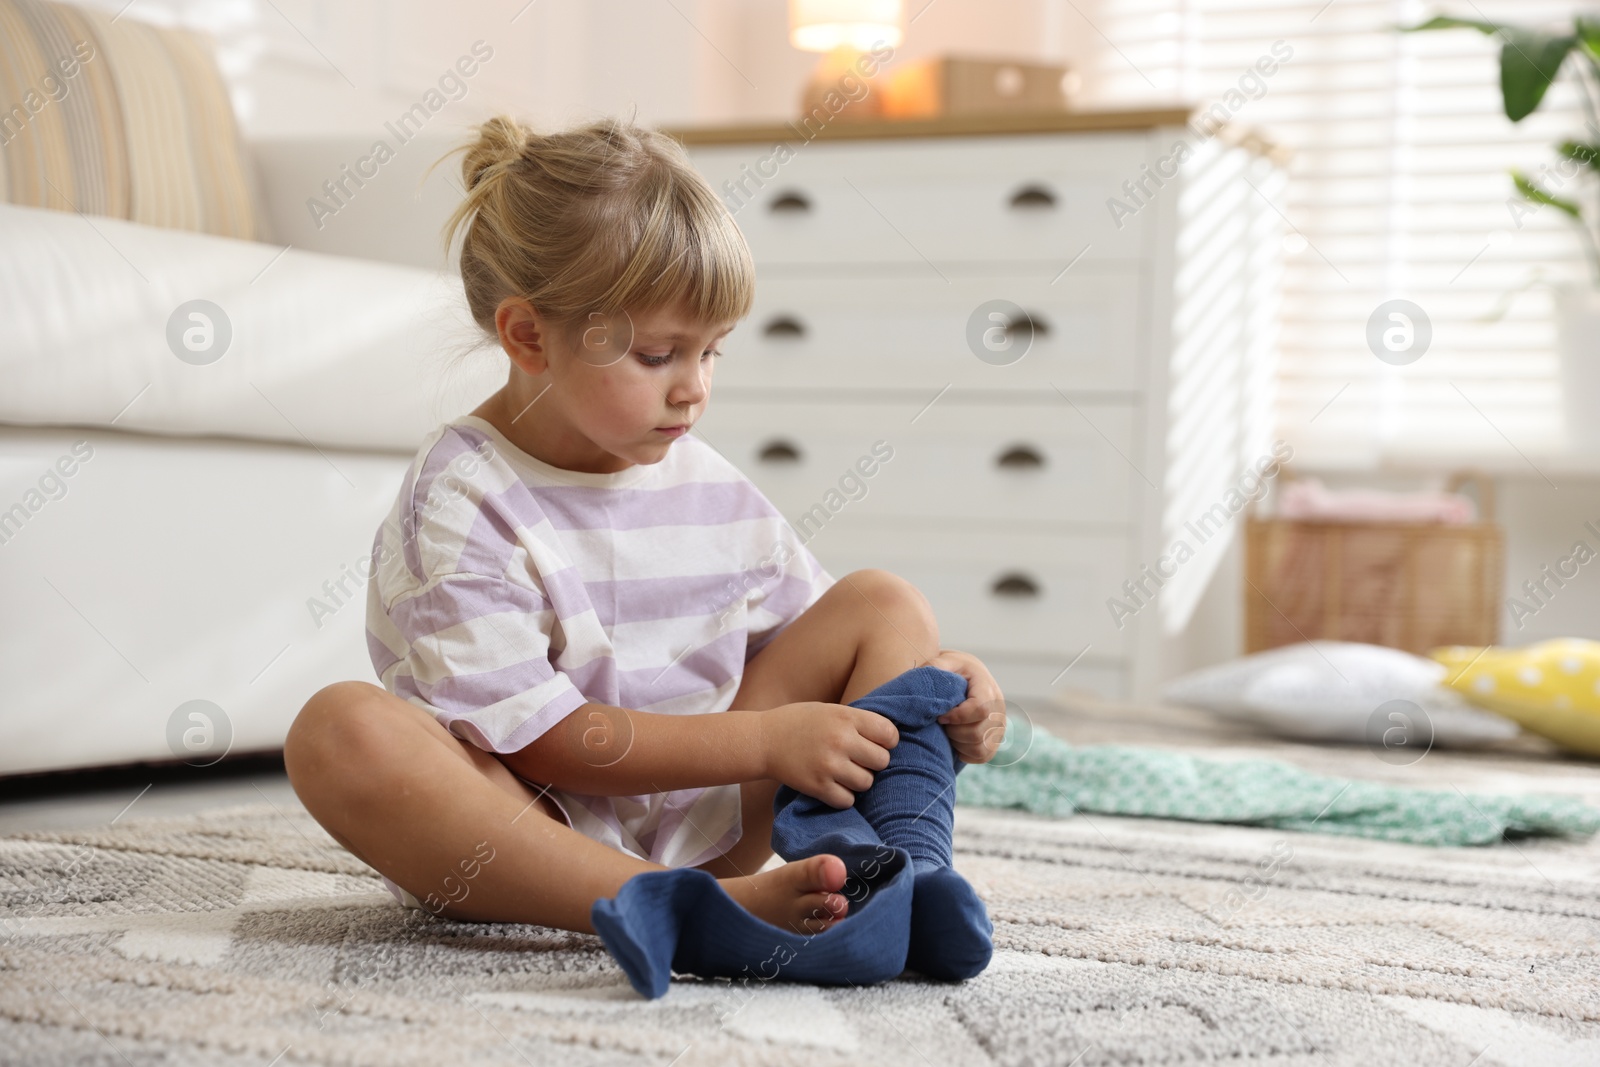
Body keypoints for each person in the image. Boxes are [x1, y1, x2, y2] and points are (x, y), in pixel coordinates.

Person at [284, 114, 1006, 946]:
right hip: (533, 835)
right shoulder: (461, 502)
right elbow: (552, 741)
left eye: (712, 353)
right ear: (528, 336)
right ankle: (671, 905)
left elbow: (829, 650)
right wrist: (766, 740)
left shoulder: (702, 479)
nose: (693, 390)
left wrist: (941, 690)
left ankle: (896, 878)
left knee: (886, 604)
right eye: (659, 355)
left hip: (714, 829)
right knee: (340, 730)